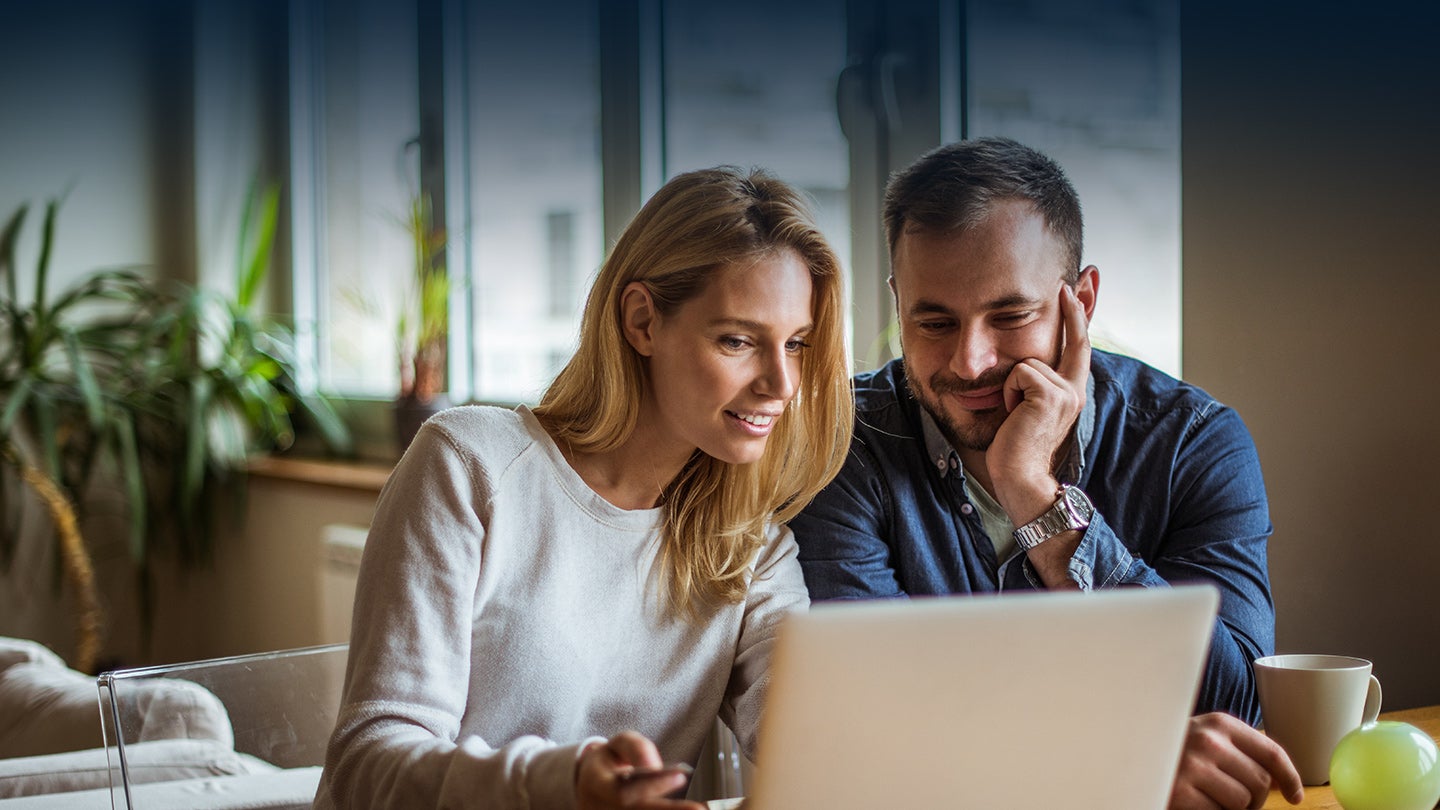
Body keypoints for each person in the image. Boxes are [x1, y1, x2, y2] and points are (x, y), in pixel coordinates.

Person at [790, 137, 1305, 810]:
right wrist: (1124, 760)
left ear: (1080, 301)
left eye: (1009, 316)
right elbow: (868, 725)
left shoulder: (1192, 443)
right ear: (898, 304)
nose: (970, 362)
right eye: (935, 322)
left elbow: (1235, 708)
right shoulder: (841, 445)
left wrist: (1036, 496)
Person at [316, 166, 853, 810]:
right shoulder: (470, 466)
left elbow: (809, 740)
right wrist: (563, 785)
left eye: (796, 344)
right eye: (737, 340)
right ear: (642, 321)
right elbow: (366, 766)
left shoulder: (753, 547)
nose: (782, 384)